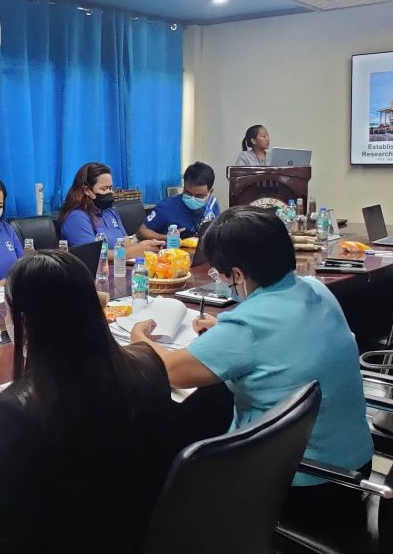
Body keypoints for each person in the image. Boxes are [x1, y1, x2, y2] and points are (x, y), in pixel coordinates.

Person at [130, 207, 373, 522]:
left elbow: (170, 371)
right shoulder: (315, 288)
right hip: (354, 469)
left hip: (300, 485)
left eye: (221, 275)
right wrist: (223, 331)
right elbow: (277, 336)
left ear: (238, 275)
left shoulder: (246, 327)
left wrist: (139, 337)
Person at [0, 251, 178, 552]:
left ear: (24, 320)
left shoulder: (12, 411)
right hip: (142, 536)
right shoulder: (148, 363)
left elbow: (5, 532)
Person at [58, 162, 159, 260]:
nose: (109, 192)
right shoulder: (76, 218)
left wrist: (145, 247)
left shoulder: (110, 212)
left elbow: (127, 244)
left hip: (120, 267)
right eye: (104, 189)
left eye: (110, 188)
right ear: (87, 190)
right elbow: (93, 254)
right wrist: (134, 251)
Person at [138, 161, 220, 241]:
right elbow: (141, 231)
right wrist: (167, 237)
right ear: (184, 187)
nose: (192, 199)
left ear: (210, 191)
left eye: (199, 196)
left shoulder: (212, 205)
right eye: (188, 193)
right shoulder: (166, 207)